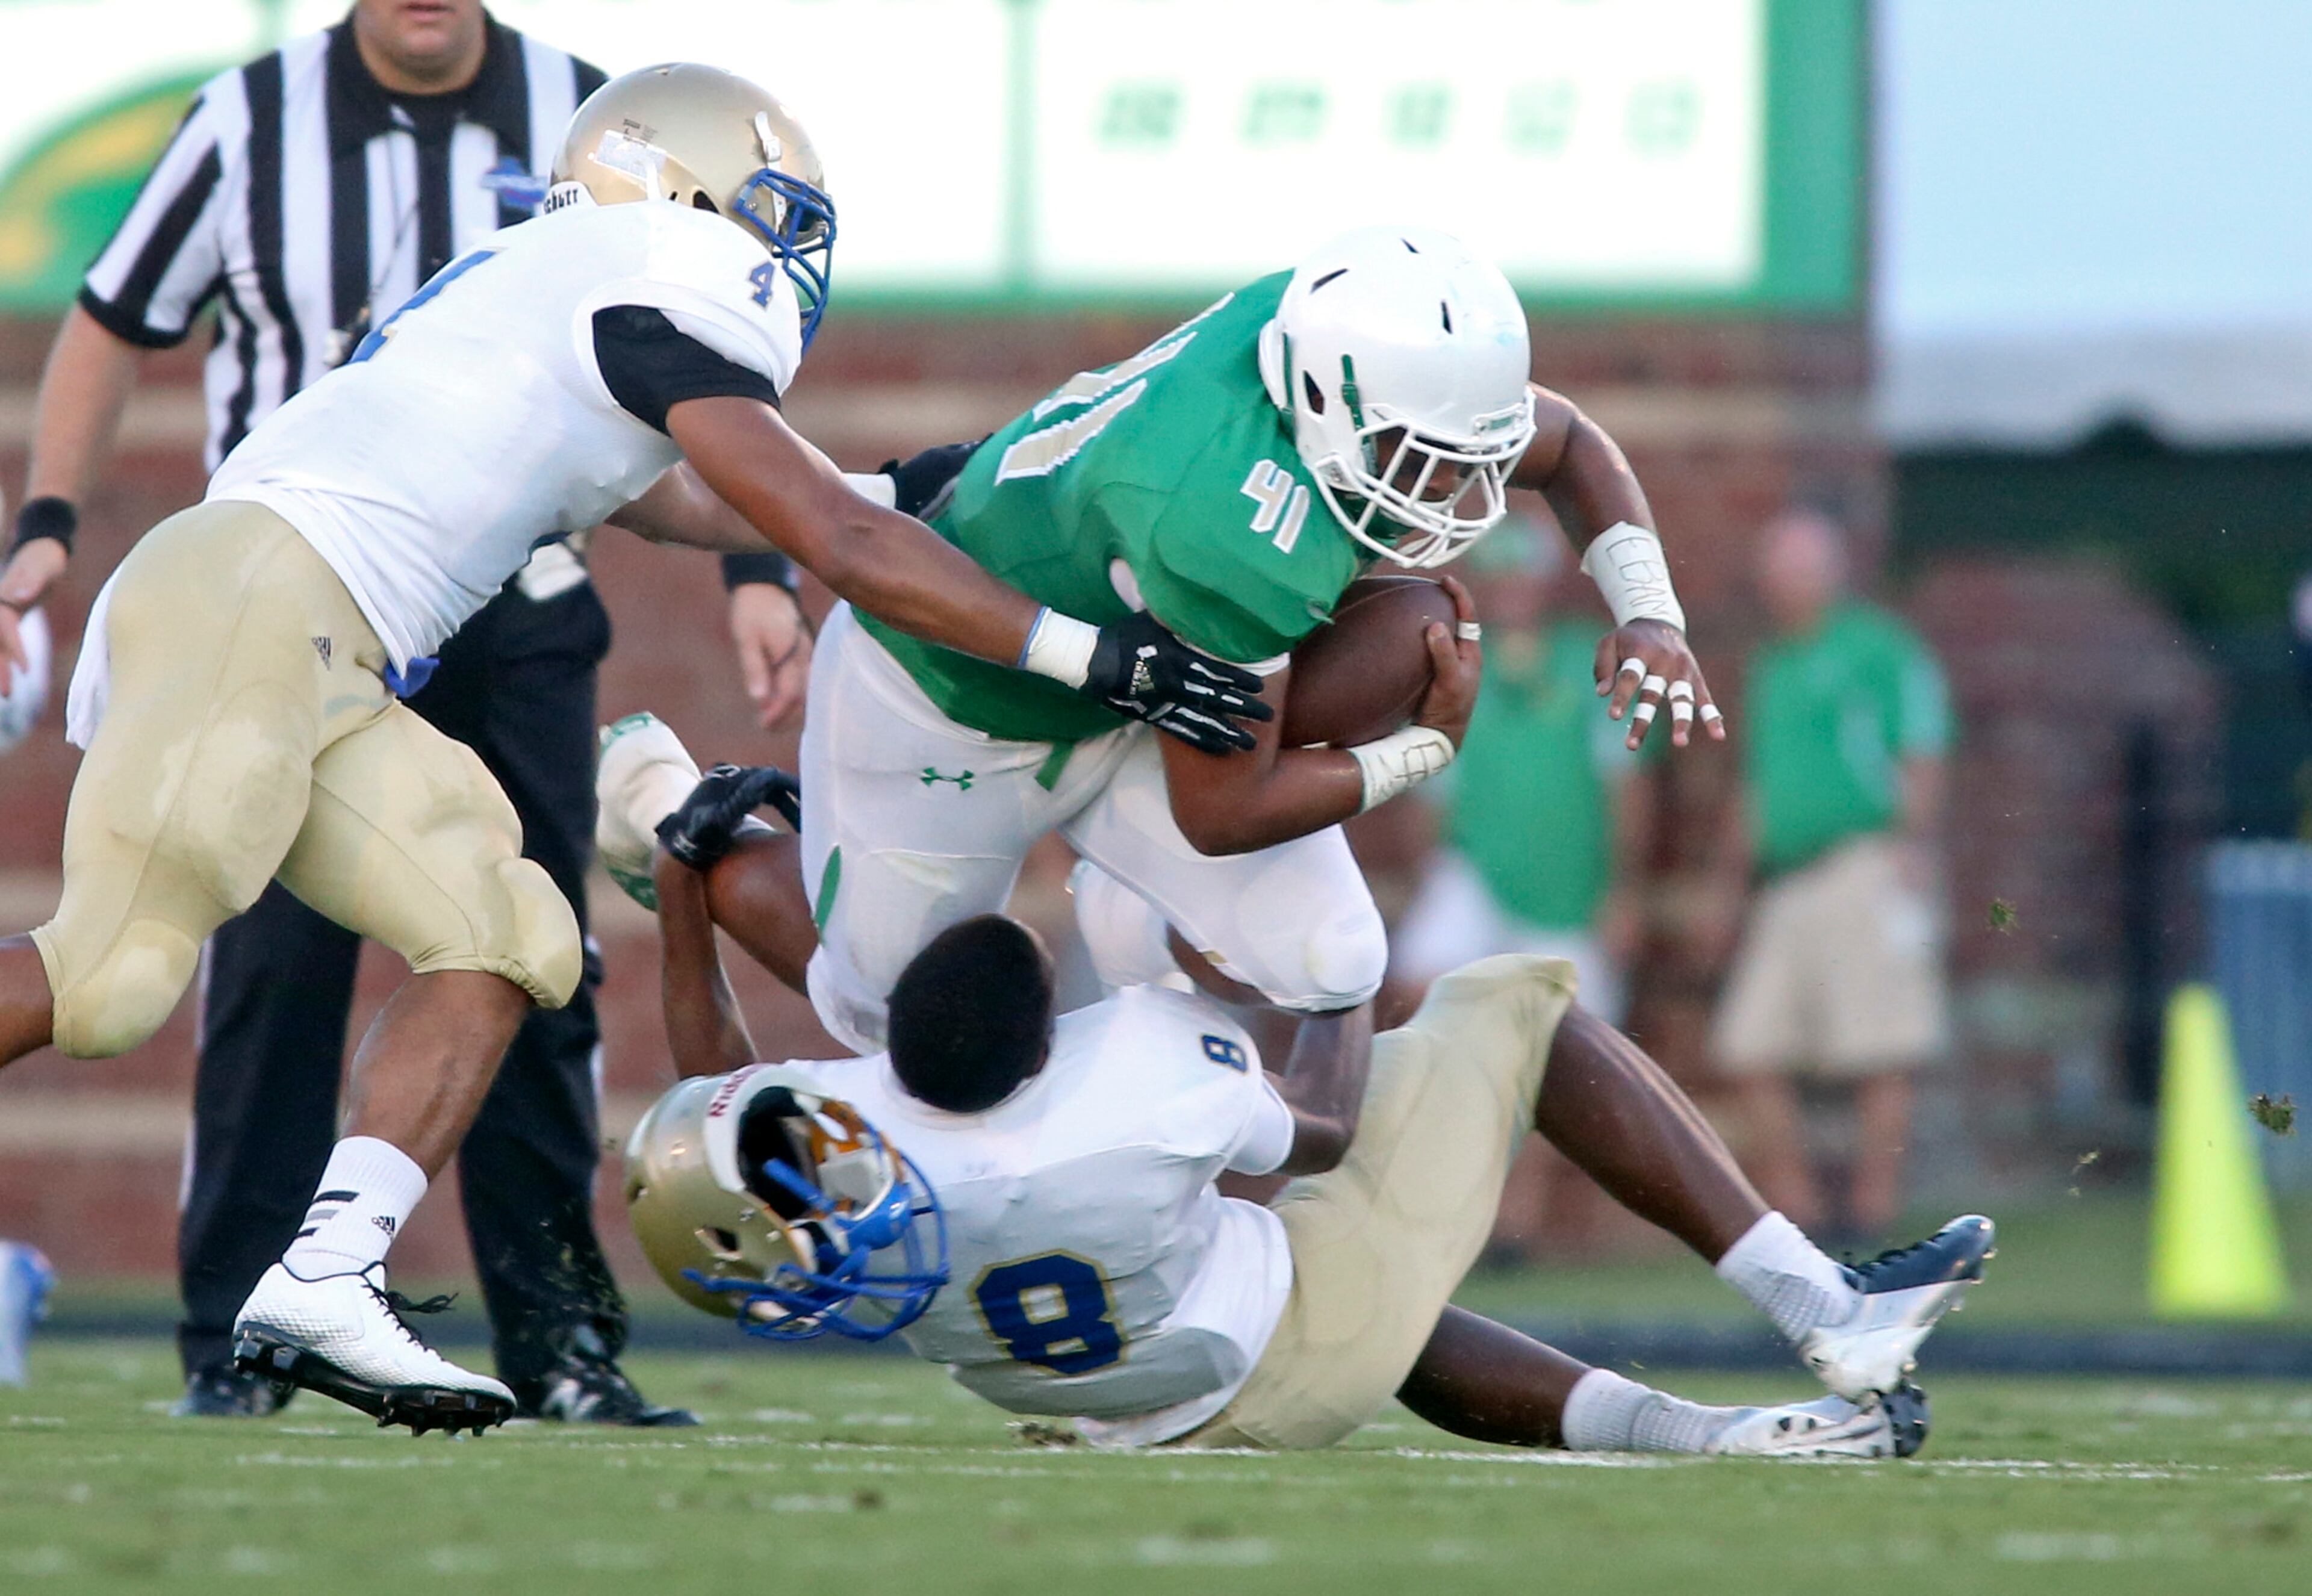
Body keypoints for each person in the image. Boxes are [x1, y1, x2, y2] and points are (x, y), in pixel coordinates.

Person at [0, 61, 1264, 1436]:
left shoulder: (563, 291)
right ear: (685, 193)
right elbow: (829, 542)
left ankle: (325, 1279)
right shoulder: (649, 262)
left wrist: (919, 479)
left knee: (508, 939)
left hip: (332, 647)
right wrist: (1095, 655)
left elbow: (691, 506)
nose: (782, 251)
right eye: (765, 212)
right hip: (258, 592)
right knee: (117, 976)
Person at [0, 0, 713, 1424]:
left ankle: (451, 1314)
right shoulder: (247, 118)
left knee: (526, 940)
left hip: (507, 598)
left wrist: (786, 552)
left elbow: (679, 401)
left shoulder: (596, 115)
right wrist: (45, 522)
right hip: (278, 587)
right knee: (177, 975)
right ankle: (233, 1338)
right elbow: (109, 319)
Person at [621, 223, 1724, 1065]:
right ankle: (684, 830)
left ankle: (1132, 937)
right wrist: (1421, 754)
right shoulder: (1232, 523)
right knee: (890, 1021)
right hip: (949, 704)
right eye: (1421, 454)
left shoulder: (1328, 347)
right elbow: (1225, 810)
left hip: (1141, 683)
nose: (1454, 490)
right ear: (1327, 404)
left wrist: (1650, 611)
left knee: (1336, 958)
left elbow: (1567, 441)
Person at [615, 789, 1993, 1459]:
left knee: (1336, 1267)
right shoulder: (1136, 1076)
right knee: (1510, 1002)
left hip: (1105, 1403)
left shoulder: (851, 1193)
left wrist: (685, 896)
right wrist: (1341, 959)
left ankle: (1736, 1431)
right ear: (1044, 1031)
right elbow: (1322, 1127)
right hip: (1266, 1344)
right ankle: (1817, 1300)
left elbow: (722, 1081)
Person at [1388, 514, 1656, 1257]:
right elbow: (1431, 792)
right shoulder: (1456, 671)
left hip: (1570, 885)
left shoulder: (1589, 663)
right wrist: (1424, 876)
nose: (1509, 590)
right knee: (1414, 982)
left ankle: (1517, 1223)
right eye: (1497, 574)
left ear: (1545, 581)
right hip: (1475, 873)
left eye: (1520, 574)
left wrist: (1623, 893)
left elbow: (1626, 788)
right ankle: (1434, 1181)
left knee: (1560, 1052)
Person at [1709, 508, 1954, 1246]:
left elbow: (1922, 748)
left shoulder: (1878, 649)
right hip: (1788, 878)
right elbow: (1758, 785)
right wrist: (1729, 882)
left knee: (1880, 1046)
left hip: (1861, 861)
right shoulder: (1769, 665)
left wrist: (1913, 840)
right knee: (1749, 1047)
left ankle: (1871, 1213)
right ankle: (1802, 1213)